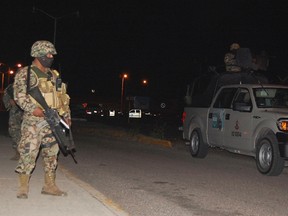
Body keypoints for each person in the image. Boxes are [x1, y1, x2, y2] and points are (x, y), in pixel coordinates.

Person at [13, 40, 71, 199]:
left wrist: (66, 116)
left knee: (52, 154)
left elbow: (62, 97)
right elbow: (19, 96)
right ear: (37, 54)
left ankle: (49, 185)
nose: (51, 57)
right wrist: (34, 109)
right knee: (28, 152)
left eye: (52, 54)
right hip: (33, 121)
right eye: (48, 54)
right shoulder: (26, 73)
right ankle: (23, 187)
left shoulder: (53, 74)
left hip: (53, 121)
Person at [2, 83, 23, 160]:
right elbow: (6, 96)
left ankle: (26, 154)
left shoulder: (31, 85)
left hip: (29, 112)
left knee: (28, 133)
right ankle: (18, 152)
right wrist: (9, 103)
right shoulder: (11, 87)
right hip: (15, 111)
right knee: (13, 131)